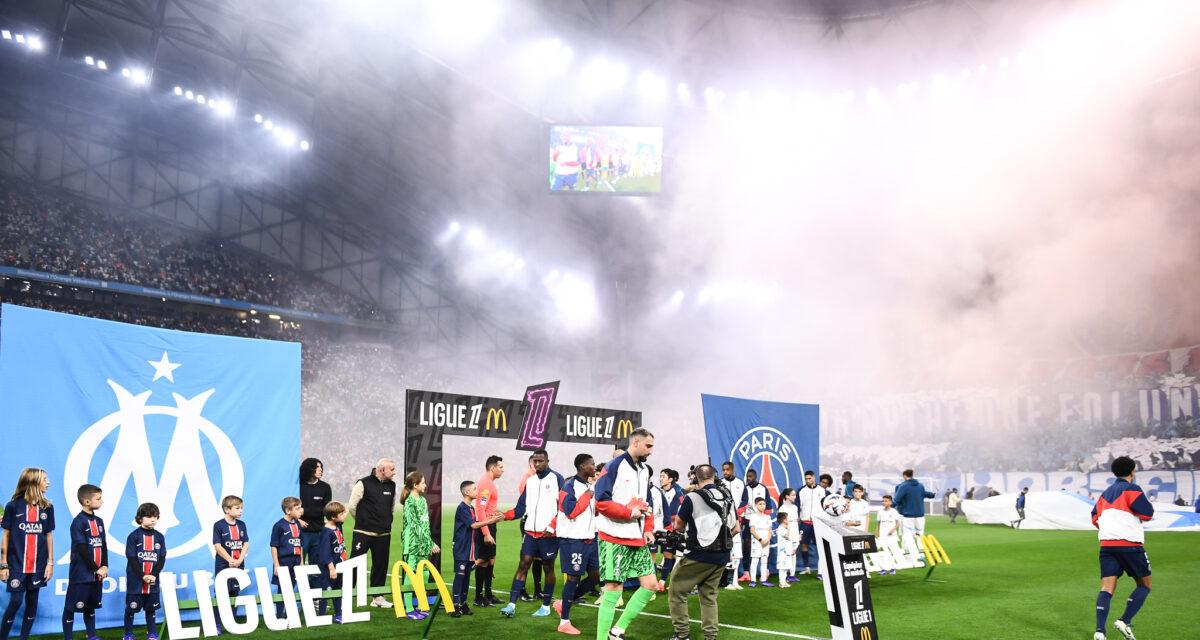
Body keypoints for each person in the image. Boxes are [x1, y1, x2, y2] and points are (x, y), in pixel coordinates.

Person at [593, 429, 658, 640]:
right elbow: (601, 502)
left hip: (637, 538)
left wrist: (648, 528)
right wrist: (629, 513)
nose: (651, 451)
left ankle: (617, 630)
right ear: (636, 442)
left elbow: (647, 502)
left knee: (651, 585)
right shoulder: (614, 466)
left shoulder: (645, 470)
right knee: (613, 588)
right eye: (648, 446)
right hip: (614, 537)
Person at [665, 464, 736, 640]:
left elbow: (678, 525)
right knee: (709, 597)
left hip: (698, 555)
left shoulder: (692, 497)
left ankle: (682, 634)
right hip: (722, 555)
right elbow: (736, 528)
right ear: (714, 476)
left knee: (676, 591)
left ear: (696, 478)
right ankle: (710, 636)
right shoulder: (727, 495)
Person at [1091, 456, 1153, 640]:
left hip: (1107, 545)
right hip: (1130, 544)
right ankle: (1124, 621)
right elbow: (1147, 513)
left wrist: (1111, 527)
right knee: (1145, 585)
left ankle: (1099, 632)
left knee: (1107, 587)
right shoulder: (1132, 488)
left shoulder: (1105, 493)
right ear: (1132, 471)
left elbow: (1094, 517)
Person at [500, 449, 563, 619]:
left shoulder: (557, 478)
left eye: (540, 461)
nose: (537, 464)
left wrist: (553, 526)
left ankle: (546, 606)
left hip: (548, 535)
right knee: (523, 564)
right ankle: (511, 605)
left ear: (547, 461)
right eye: (535, 461)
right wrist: (505, 516)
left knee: (548, 568)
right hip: (530, 532)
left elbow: (564, 507)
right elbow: (521, 507)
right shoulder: (531, 481)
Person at [1, 468, 55, 640]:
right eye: (44, 479)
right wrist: (3, 564)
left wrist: (50, 563)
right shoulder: (12, 506)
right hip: (16, 565)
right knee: (16, 602)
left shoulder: (47, 507)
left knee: (32, 604)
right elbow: (6, 535)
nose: (48, 482)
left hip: (38, 565)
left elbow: (48, 535)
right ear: (33, 482)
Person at [552, 454, 600, 635]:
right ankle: (564, 622)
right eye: (592, 464)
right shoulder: (568, 487)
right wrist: (587, 496)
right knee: (573, 579)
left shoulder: (589, 486)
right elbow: (571, 511)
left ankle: (564, 603)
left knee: (596, 576)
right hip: (572, 540)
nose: (594, 466)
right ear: (582, 466)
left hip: (589, 539)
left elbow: (591, 512)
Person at [348, 458, 397, 608]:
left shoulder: (392, 485)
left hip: (383, 534)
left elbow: (391, 507)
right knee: (354, 564)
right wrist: (363, 521)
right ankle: (345, 595)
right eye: (392, 469)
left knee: (381, 566)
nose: (394, 472)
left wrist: (385, 522)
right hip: (363, 532)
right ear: (381, 469)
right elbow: (352, 506)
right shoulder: (363, 483)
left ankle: (377, 598)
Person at [451, 481, 501, 619]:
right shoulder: (462, 508)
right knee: (460, 576)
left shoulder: (471, 508)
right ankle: (454, 605)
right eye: (474, 489)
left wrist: (491, 517)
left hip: (470, 548)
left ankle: (463, 604)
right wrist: (490, 522)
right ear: (467, 492)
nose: (477, 491)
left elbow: (476, 523)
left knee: (467, 577)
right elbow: (473, 525)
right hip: (461, 548)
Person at [64, 484, 107, 640]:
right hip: (81, 575)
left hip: (97, 575)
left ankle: (92, 635)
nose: (102, 501)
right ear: (87, 502)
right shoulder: (78, 522)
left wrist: (105, 565)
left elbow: (103, 545)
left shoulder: (99, 521)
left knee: (91, 605)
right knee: (71, 607)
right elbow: (82, 549)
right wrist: (96, 568)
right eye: (99, 498)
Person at [124, 503, 166, 640]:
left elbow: (162, 558)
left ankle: (152, 632)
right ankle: (128, 634)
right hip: (136, 581)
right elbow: (131, 558)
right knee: (131, 609)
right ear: (140, 518)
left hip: (152, 581)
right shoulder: (133, 536)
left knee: (151, 608)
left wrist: (153, 574)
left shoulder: (159, 537)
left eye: (155, 516)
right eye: (149, 516)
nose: (153, 519)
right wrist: (143, 576)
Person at [400, 472, 438, 621]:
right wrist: (430, 543)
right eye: (423, 483)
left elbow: (424, 525)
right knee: (410, 575)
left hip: (423, 543)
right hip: (412, 544)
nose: (425, 485)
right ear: (415, 485)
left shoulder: (422, 500)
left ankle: (422, 605)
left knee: (425, 573)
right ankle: (409, 608)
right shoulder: (409, 502)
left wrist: (428, 542)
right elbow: (414, 526)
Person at [474, 455, 508, 607]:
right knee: (483, 560)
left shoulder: (489, 482)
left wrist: (495, 513)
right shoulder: (486, 484)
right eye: (500, 467)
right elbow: (480, 508)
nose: (503, 470)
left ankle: (488, 594)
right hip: (485, 526)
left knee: (491, 559)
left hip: (490, 524)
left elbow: (487, 507)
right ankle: (478, 597)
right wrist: (486, 533)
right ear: (493, 467)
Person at [212, 495, 249, 633]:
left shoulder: (242, 525)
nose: (241, 511)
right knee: (221, 593)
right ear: (227, 509)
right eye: (237, 508)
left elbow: (245, 543)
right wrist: (230, 560)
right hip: (223, 565)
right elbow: (217, 546)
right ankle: (216, 624)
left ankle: (231, 622)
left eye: (241, 508)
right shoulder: (218, 525)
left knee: (234, 592)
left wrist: (240, 559)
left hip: (239, 564)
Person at [269, 497, 305, 618]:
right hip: (284, 561)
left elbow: (300, 545)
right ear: (288, 511)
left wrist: (301, 562)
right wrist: (276, 565)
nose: (301, 510)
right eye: (297, 508)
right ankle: (280, 616)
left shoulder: (298, 524)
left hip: (296, 560)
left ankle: (288, 614)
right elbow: (274, 546)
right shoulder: (279, 525)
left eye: (300, 507)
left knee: (291, 588)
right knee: (283, 589)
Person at [516, 455, 543, 602]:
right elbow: (525, 501)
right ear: (531, 464)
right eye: (536, 463)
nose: (539, 465)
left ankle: (538, 590)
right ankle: (521, 590)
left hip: (537, 521)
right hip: (528, 521)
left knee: (538, 557)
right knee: (527, 557)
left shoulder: (538, 478)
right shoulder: (528, 479)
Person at [316, 501, 348, 623]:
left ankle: (339, 614)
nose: (344, 515)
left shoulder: (338, 525)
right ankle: (321, 615)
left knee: (338, 590)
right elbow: (325, 553)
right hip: (329, 569)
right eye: (341, 514)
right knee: (326, 591)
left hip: (339, 566)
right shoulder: (326, 532)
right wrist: (331, 568)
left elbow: (343, 513)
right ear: (333, 517)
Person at [893, 469, 935, 555]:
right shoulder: (920, 486)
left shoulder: (903, 486)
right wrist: (932, 494)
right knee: (920, 535)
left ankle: (908, 554)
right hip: (920, 516)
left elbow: (896, 499)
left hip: (908, 516)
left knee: (907, 535)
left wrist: (889, 507)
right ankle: (921, 554)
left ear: (905, 476)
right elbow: (924, 493)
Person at [298, 458, 332, 564]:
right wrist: (298, 519)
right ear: (309, 469)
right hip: (300, 533)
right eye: (317, 467)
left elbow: (325, 510)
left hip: (318, 532)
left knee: (317, 566)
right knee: (298, 564)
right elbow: (290, 507)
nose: (320, 469)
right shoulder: (297, 486)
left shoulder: (325, 487)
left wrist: (304, 511)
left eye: (321, 467)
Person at [795, 471, 828, 577]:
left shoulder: (822, 491)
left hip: (818, 523)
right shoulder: (801, 490)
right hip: (805, 523)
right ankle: (807, 568)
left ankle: (821, 571)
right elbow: (797, 506)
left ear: (814, 478)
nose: (808, 480)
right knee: (804, 544)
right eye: (806, 479)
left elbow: (827, 507)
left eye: (809, 478)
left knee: (820, 546)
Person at [657, 469, 686, 582]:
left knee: (669, 554)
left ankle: (663, 581)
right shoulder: (660, 492)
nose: (660, 479)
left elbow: (674, 514)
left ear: (670, 479)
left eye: (663, 476)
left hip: (673, 529)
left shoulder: (676, 492)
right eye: (660, 476)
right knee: (667, 554)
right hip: (662, 528)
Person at [746, 498, 773, 587]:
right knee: (755, 561)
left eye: (764, 504)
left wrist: (767, 540)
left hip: (766, 542)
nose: (762, 506)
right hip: (757, 542)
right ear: (756, 505)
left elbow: (770, 530)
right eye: (760, 504)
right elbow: (752, 530)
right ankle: (753, 581)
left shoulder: (768, 517)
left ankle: (764, 580)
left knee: (764, 561)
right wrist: (761, 540)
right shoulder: (753, 516)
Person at [776, 489, 799, 583]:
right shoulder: (782, 508)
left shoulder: (795, 507)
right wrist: (788, 531)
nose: (794, 497)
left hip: (795, 529)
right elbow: (782, 523)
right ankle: (784, 576)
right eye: (792, 495)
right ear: (787, 496)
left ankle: (792, 575)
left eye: (794, 495)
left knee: (794, 552)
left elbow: (796, 521)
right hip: (788, 530)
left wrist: (797, 533)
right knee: (787, 553)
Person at [876, 495, 901, 576]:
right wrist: (877, 533)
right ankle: (883, 569)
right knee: (883, 552)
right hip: (882, 535)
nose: (884, 502)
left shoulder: (894, 511)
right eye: (883, 501)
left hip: (891, 536)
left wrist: (892, 530)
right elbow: (878, 523)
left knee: (892, 551)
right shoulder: (880, 512)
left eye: (886, 501)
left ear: (890, 502)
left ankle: (892, 568)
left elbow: (898, 523)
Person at [773, 512, 794, 587]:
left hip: (787, 550)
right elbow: (787, 537)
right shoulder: (780, 528)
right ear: (784, 520)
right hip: (782, 551)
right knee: (782, 567)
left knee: (786, 567)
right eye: (787, 518)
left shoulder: (784, 528)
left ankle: (784, 581)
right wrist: (789, 529)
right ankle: (781, 582)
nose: (788, 520)